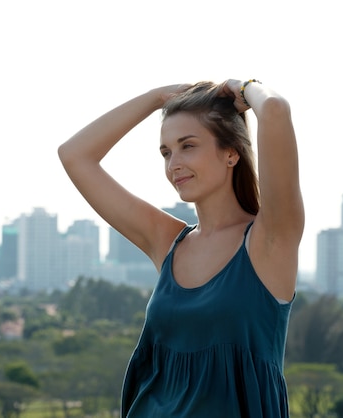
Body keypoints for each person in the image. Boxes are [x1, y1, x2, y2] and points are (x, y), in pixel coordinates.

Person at [58, 78, 304, 417]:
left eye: (188, 146)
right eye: (166, 152)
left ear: (231, 153)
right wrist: (155, 98)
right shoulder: (169, 241)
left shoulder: (270, 240)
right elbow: (74, 156)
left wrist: (245, 89)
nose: (173, 164)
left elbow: (275, 110)